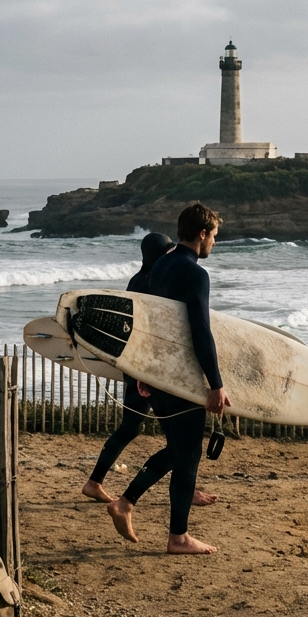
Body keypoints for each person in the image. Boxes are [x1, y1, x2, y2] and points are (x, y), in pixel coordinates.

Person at [107, 203, 229, 555]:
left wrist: (143, 371)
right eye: (214, 237)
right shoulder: (195, 274)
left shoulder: (160, 266)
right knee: (187, 452)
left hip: (157, 373)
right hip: (180, 376)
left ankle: (126, 503)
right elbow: (200, 333)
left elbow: (148, 322)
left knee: (179, 449)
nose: (214, 245)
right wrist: (216, 384)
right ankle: (177, 537)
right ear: (202, 234)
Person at [81, 233, 220, 508]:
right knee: (174, 442)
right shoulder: (152, 282)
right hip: (147, 368)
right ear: (165, 252)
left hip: (138, 365)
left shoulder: (139, 278)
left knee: (143, 431)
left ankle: (98, 482)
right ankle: (101, 485)